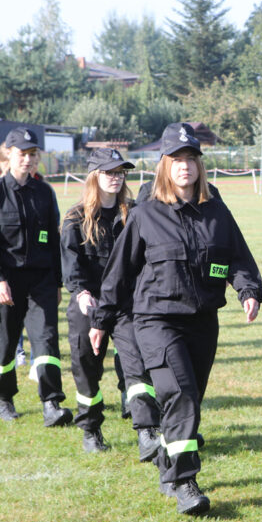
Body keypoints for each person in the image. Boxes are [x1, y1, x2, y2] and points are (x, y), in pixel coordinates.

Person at [90, 122, 262, 515]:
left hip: (203, 322)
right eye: (177, 159)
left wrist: (248, 290)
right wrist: (102, 321)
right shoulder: (145, 214)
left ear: (200, 166)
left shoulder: (217, 212)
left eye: (191, 158)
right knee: (180, 396)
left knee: (188, 401)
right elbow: (118, 274)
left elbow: (238, 258)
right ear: (164, 166)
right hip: (157, 321)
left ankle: (169, 469)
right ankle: (186, 482)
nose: (185, 166)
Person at [62, 147, 160, 455]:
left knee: (137, 365)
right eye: (109, 172)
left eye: (120, 172)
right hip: (89, 305)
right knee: (87, 368)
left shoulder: (135, 213)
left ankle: (147, 431)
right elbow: (71, 267)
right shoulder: (75, 218)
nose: (116, 178)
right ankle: (91, 428)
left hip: (126, 304)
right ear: (94, 175)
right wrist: (81, 294)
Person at [0, 127, 71, 425]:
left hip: (41, 281)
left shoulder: (45, 192)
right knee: (5, 344)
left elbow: (54, 241)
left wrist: (57, 281)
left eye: (32, 154)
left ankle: (51, 403)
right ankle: (5, 398)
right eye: (22, 154)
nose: (28, 160)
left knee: (46, 340)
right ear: (8, 155)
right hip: (5, 281)